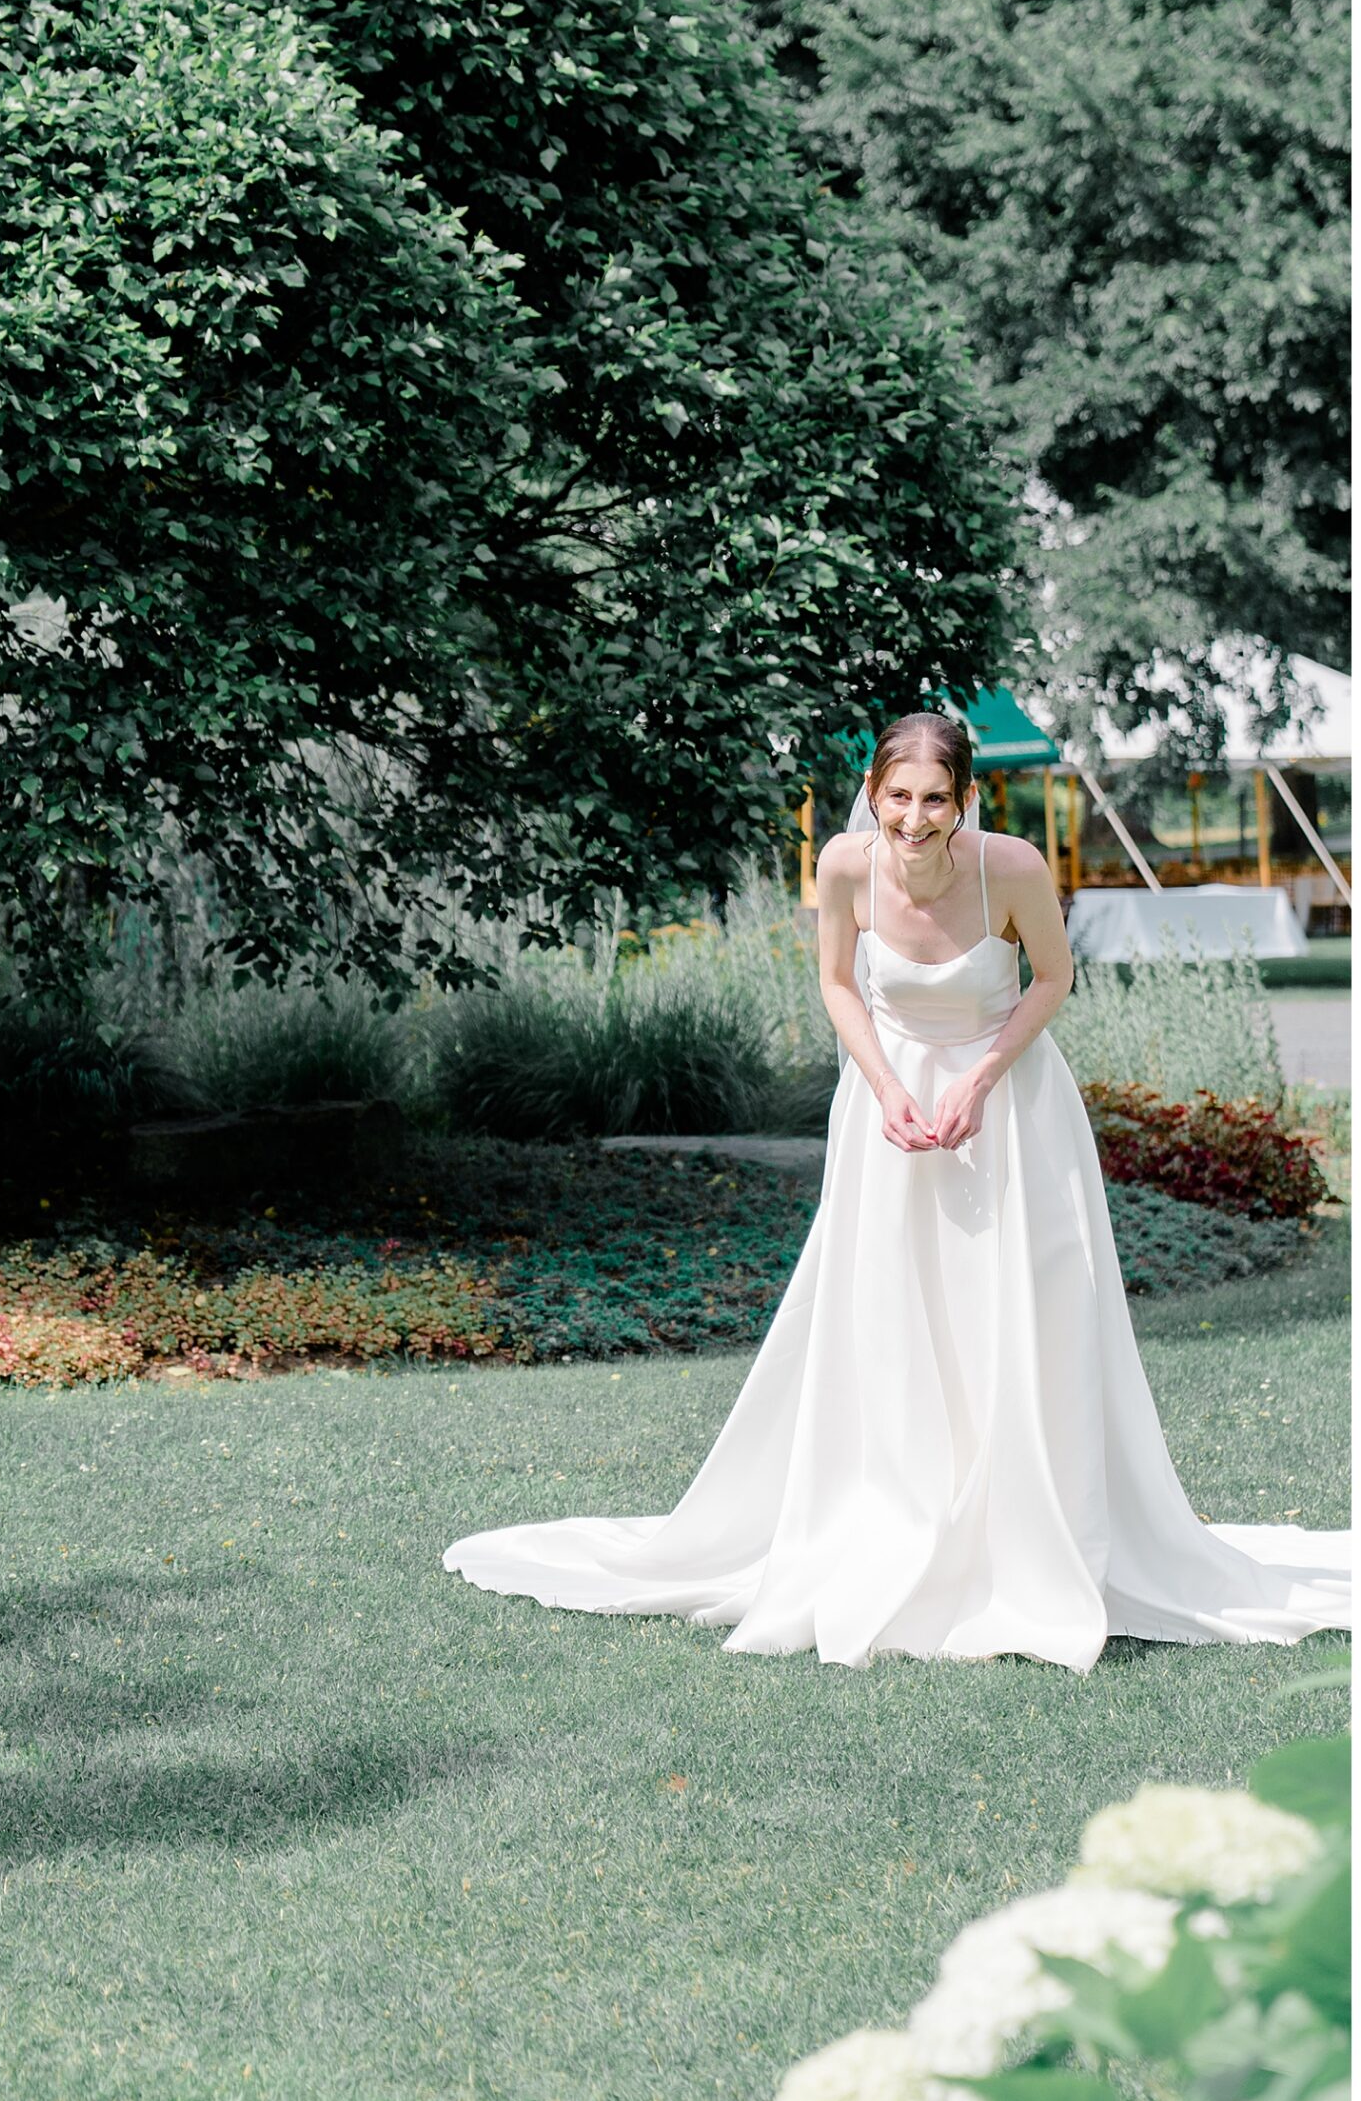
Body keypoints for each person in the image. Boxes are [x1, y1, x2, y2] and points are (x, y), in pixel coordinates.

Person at [444, 712, 1349, 1666]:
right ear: (873, 793)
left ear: (966, 799)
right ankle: (894, 1516)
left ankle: (1028, 1532)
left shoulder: (1013, 869)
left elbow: (1053, 978)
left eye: (934, 799)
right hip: (884, 1116)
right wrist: (883, 1086)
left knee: (1019, 1318)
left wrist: (979, 1079)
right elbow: (837, 984)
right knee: (889, 1318)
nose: (913, 819)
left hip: (1010, 1111)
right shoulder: (843, 865)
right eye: (898, 797)